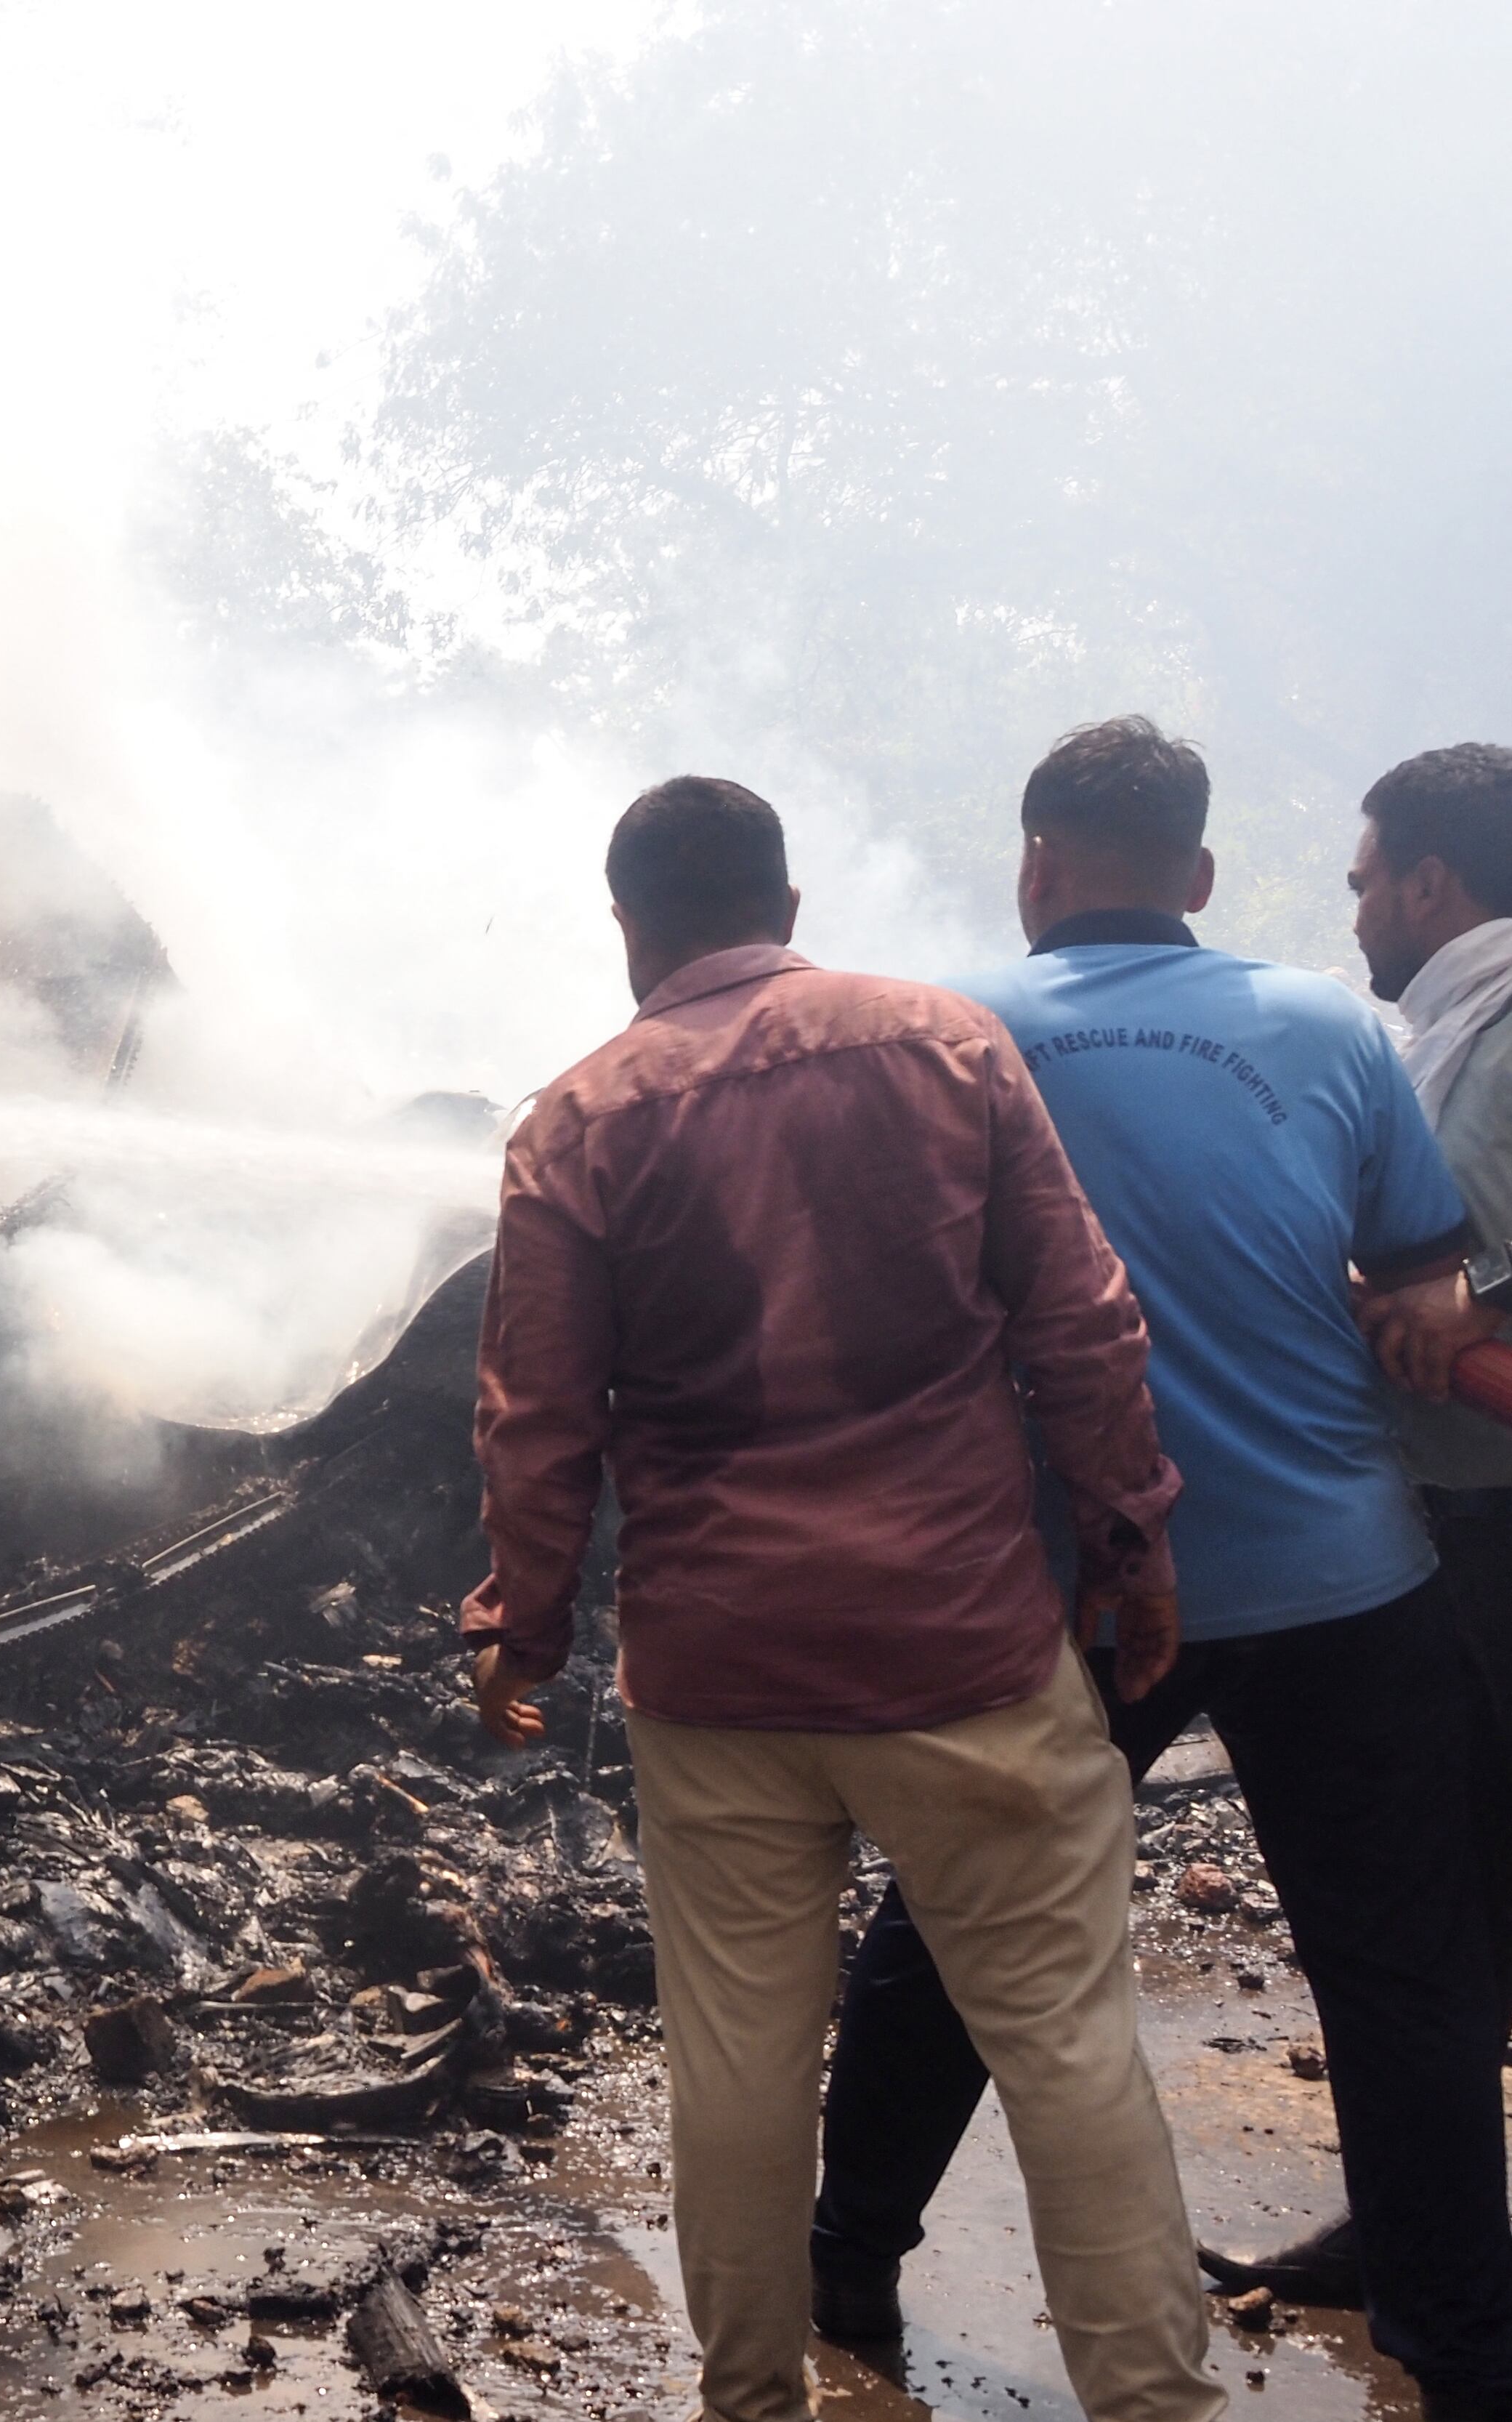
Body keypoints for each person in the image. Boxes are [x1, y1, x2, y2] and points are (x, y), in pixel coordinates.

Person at [469, 775, 1218, 2422]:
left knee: (736, 2062)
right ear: (787, 909)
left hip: (720, 1677)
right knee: (1064, 2042)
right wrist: (1130, 1549)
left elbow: (538, 1426)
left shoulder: (576, 1121)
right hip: (961, 1650)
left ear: (627, 928)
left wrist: (520, 1633)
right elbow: (1083, 1329)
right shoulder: (945, 1046)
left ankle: (751, 2398)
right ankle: (1156, 2403)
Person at [807, 719, 1512, 2422]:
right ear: (1199, 876)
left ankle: (843, 2267)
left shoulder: (947, 1036)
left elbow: (884, 1316)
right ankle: (1464, 2350)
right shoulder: (1339, 1029)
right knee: (1405, 1970)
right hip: (1348, 1571)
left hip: (1076, 1587)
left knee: (961, 1925)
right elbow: (1423, 1289)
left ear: (1033, 862)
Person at [1232, 744, 1512, 2304]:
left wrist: (1478, 1294)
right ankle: (1417, 2225)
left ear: (1427, 878)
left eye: (1361, 881)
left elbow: (1474, 1263)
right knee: (1441, 1892)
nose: (1350, 915)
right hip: (1438, 1511)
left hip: (1496, 1517)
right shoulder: (1442, 1031)